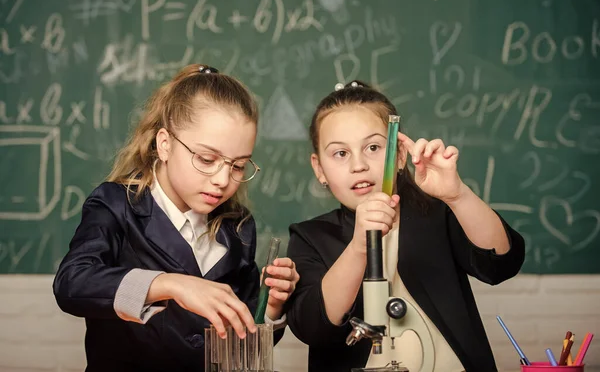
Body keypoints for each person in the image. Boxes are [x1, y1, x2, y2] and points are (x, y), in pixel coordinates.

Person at [53, 64, 300, 372]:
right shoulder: (117, 205)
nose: (223, 179)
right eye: (207, 159)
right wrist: (171, 285)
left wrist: (271, 305)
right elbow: (72, 285)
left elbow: (241, 345)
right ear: (165, 144)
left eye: (238, 166)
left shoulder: (237, 227)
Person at [285, 80, 525, 372]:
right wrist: (360, 245)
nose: (358, 165)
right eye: (340, 153)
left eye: (373, 147)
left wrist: (457, 195)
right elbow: (312, 327)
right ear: (319, 168)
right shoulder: (310, 236)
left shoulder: (438, 215)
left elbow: (501, 264)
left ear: (399, 156)